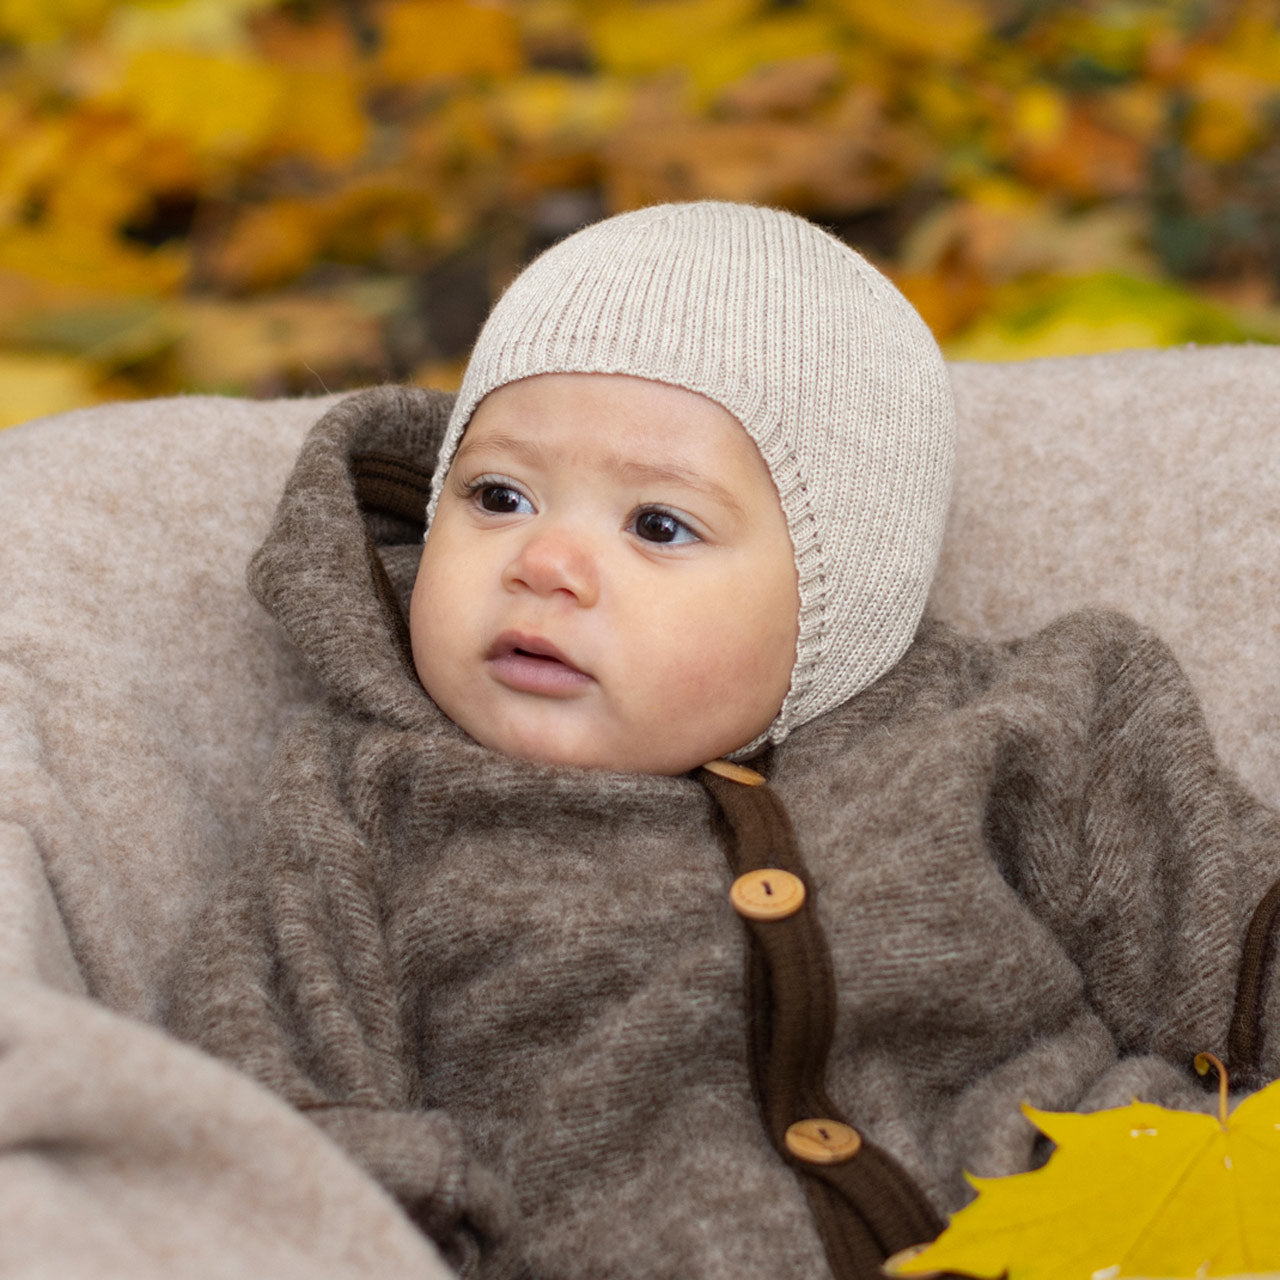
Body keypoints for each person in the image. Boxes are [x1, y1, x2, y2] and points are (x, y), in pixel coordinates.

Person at [163, 202, 1280, 1280]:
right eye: (497, 495)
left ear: (839, 597)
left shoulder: (1022, 723)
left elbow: (1230, 940)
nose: (543, 561)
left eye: (657, 523)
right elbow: (266, 1114)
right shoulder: (373, 799)